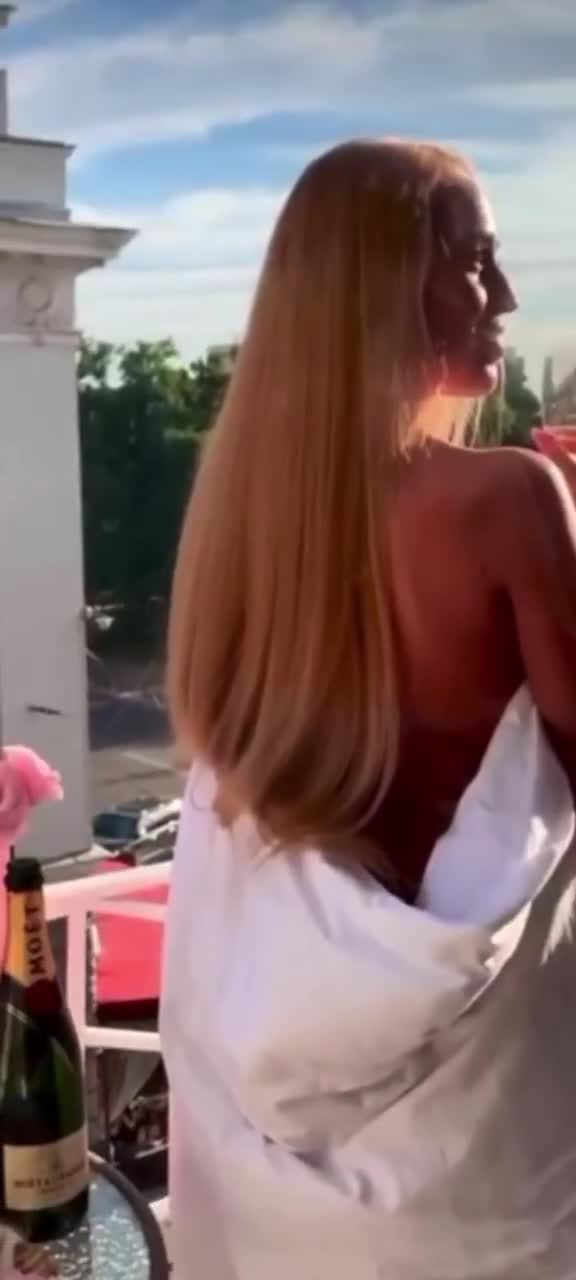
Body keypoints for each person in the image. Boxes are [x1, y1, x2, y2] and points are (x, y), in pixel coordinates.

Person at [161, 140, 576, 1280]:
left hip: (268, 1158)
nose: (507, 296)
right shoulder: (508, 500)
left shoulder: (239, 526)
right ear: (385, 285)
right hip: (483, 1144)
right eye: (476, 261)